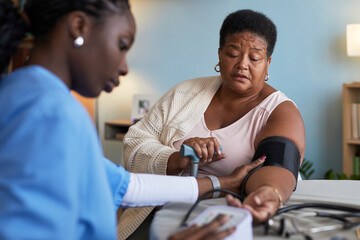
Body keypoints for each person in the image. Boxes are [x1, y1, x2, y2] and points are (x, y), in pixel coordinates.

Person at [0, 1, 265, 239]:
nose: (125, 66)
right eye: (122, 45)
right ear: (79, 26)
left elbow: (128, 186)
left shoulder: (24, 94)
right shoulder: (49, 113)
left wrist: (223, 183)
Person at [121, 9, 306, 239]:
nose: (242, 65)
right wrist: (175, 158)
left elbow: (277, 165)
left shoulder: (280, 111)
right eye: (233, 53)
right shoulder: (184, 93)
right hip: (152, 214)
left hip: (227, 222)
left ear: (267, 64)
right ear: (219, 55)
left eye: (255, 58)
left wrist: (269, 193)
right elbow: (133, 144)